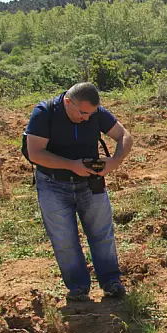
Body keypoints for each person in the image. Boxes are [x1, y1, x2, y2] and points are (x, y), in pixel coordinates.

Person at [24, 82, 133, 301]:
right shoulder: (44, 113)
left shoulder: (94, 114)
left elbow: (124, 136)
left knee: (102, 233)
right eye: (82, 113)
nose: (86, 118)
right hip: (53, 185)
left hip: (90, 184)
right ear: (67, 102)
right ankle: (78, 287)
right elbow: (34, 153)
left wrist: (114, 161)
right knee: (64, 239)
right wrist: (71, 165)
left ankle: (111, 281)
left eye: (91, 114)